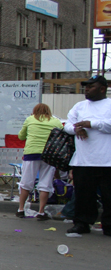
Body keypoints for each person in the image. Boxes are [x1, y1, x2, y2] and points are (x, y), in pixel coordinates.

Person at [63, 75, 111, 235]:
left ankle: (108, 226)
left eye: (91, 86)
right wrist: (76, 129)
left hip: (107, 160)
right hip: (83, 160)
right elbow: (67, 125)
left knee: (108, 196)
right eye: (86, 86)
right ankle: (82, 223)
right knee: (84, 196)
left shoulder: (109, 104)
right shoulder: (80, 106)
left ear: (102, 89)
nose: (87, 89)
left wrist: (92, 124)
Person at [15, 103, 63, 220]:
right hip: (49, 155)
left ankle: (21, 209)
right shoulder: (56, 121)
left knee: (26, 182)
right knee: (45, 183)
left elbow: (21, 136)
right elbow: (62, 134)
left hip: (31, 153)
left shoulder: (30, 119)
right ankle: (41, 212)